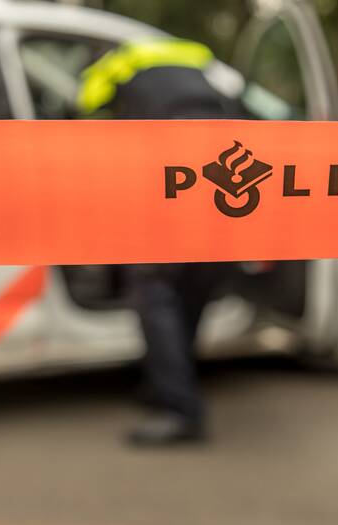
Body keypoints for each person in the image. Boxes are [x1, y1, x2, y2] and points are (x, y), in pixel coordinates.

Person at [77, 37, 250, 447]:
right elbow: (244, 110)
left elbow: (86, 124)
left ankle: (180, 411)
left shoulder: (112, 70)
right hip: (223, 186)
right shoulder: (193, 59)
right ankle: (166, 383)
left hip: (171, 186)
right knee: (188, 290)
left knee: (154, 293)